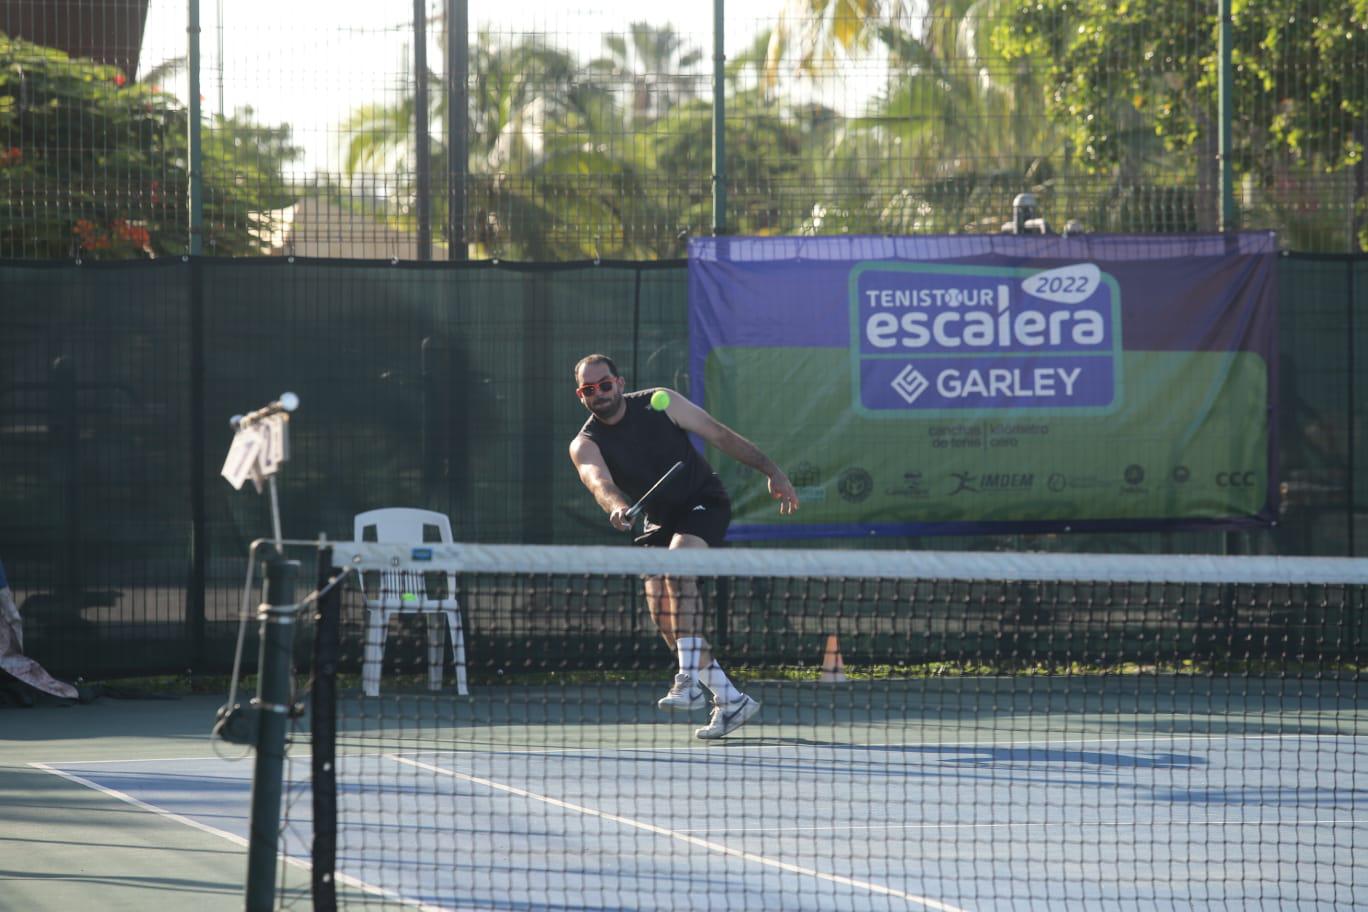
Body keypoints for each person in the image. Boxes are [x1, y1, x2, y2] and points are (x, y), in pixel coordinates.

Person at [568, 354, 799, 739]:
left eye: (605, 384)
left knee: (678, 567)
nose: (599, 394)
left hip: (702, 503)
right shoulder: (585, 443)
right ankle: (731, 700)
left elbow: (719, 434)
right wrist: (618, 508)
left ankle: (686, 680)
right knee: (664, 616)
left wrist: (772, 470)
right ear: (581, 395)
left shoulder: (662, 401)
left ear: (620, 383)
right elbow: (599, 483)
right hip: (656, 521)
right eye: (589, 389)